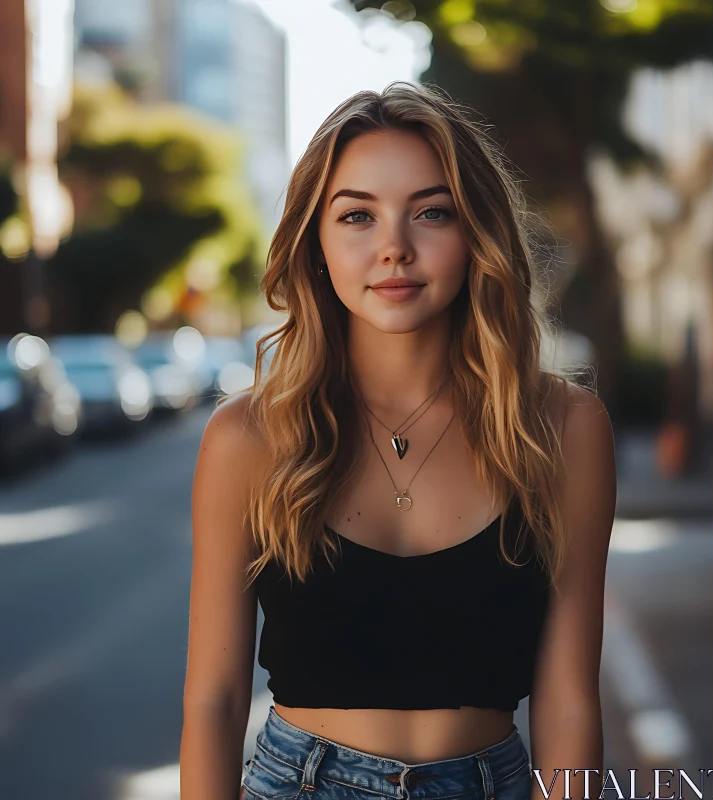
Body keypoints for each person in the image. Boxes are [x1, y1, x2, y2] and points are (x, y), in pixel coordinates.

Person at [179, 82, 616, 800]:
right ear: (315, 241)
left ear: (476, 232)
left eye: (431, 212)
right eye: (357, 215)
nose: (394, 249)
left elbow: (569, 702)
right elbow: (214, 700)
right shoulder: (249, 437)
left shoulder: (561, 428)